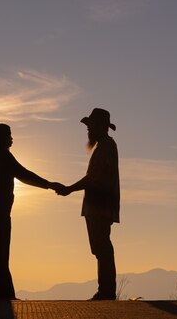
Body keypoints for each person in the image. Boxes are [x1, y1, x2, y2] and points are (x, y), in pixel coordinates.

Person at [0, 123, 64, 301]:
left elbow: (22, 174)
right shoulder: (3, 156)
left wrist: (47, 184)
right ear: (1, 138)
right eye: (9, 135)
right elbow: (24, 174)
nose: (12, 138)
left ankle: (2, 293)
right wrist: (48, 184)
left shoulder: (0, 155)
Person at [57, 108, 120, 300]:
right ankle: (106, 289)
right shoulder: (104, 146)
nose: (88, 130)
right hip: (98, 205)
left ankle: (106, 291)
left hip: (100, 205)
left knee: (102, 247)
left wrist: (69, 188)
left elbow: (93, 178)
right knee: (100, 247)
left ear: (100, 127)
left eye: (90, 126)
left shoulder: (106, 146)